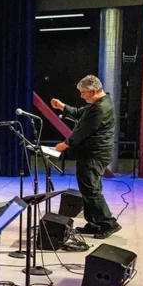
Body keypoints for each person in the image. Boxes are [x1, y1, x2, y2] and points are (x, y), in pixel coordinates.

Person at [51, 75, 120, 239]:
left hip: (95, 154)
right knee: (88, 189)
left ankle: (108, 223)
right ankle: (94, 223)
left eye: (83, 93)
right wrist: (63, 107)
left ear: (94, 91)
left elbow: (83, 131)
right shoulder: (97, 104)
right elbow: (79, 114)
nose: (81, 96)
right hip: (90, 153)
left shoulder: (100, 109)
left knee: (91, 189)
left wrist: (65, 144)